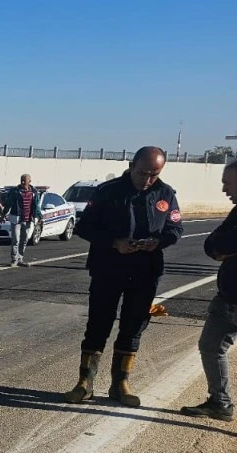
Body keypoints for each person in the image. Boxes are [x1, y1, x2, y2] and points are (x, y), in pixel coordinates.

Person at [62, 147, 183, 406]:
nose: (147, 179)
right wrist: (114, 242)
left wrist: (158, 242)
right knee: (98, 324)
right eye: (142, 173)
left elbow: (175, 228)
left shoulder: (166, 193)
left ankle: (121, 383)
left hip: (145, 271)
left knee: (133, 326)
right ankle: (85, 383)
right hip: (108, 268)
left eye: (154, 174)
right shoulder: (108, 191)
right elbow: (85, 227)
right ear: (131, 165)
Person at [181, 160, 237, 421]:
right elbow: (212, 243)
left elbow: (223, 242)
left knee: (212, 347)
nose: (225, 189)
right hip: (227, 298)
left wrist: (224, 248)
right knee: (211, 347)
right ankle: (220, 403)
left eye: (228, 182)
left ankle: (221, 403)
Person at [0, 174, 42, 266]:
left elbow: (37, 206)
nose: (22, 182)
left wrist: (39, 217)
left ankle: (20, 259)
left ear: (29, 181)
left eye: (25, 180)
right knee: (15, 240)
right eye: (21, 180)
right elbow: (8, 204)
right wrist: (3, 214)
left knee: (24, 240)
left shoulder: (34, 192)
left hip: (28, 219)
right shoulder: (15, 191)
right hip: (16, 219)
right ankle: (14, 259)